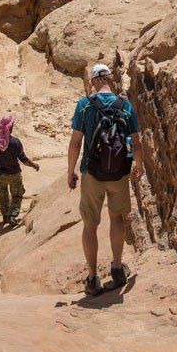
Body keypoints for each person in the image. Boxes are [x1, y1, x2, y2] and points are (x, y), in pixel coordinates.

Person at [67, 63, 143, 296]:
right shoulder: (126, 105)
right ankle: (118, 268)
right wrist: (139, 166)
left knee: (90, 225)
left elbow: (76, 143)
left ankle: (92, 278)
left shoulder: (84, 105)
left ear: (93, 81)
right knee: (117, 217)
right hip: (118, 172)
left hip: (92, 172)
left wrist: (71, 171)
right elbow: (136, 142)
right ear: (110, 79)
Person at [0, 114, 39, 226]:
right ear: (10, 127)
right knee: (17, 195)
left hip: (0, 175)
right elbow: (23, 159)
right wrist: (34, 165)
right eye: (12, 125)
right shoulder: (15, 142)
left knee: (3, 195)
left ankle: (5, 216)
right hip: (14, 174)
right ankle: (12, 216)